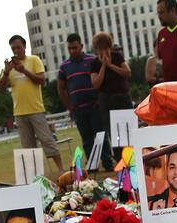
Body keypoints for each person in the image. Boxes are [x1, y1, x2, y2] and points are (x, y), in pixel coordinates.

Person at [0, 35, 65, 173]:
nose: (16, 50)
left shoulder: (34, 60)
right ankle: (35, 174)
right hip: (19, 112)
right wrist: (6, 72)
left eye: (18, 47)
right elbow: (1, 88)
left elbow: (41, 80)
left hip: (35, 109)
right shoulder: (9, 67)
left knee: (47, 140)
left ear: (24, 46)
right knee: (28, 147)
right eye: (13, 48)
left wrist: (24, 70)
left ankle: (61, 169)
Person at [57, 33, 113, 171]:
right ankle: (92, 165)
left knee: (102, 136)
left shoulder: (92, 60)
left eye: (75, 47)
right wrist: (69, 106)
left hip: (96, 106)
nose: (72, 51)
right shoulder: (64, 66)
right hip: (78, 109)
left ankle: (108, 163)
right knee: (87, 139)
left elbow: (102, 78)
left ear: (81, 46)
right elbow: (61, 88)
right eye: (69, 48)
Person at [90, 32, 132, 162]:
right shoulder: (94, 64)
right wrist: (103, 66)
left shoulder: (117, 57)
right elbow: (95, 83)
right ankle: (120, 160)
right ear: (96, 49)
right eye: (100, 49)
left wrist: (111, 66)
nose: (104, 51)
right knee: (114, 133)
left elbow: (127, 73)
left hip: (122, 98)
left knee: (128, 130)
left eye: (106, 48)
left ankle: (132, 157)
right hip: (107, 101)